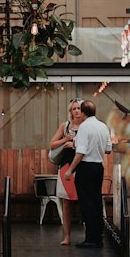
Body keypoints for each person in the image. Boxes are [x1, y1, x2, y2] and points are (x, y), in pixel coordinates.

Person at [67, 98, 112, 249]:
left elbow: (80, 152)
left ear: (84, 112)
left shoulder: (84, 127)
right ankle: (98, 236)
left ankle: (91, 239)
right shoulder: (103, 126)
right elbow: (108, 149)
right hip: (98, 167)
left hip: (85, 168)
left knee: (86, 204)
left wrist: (70, 169)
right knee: (96, 202)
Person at [49, 99, 81, 246]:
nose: (76, 111)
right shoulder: (65, 126)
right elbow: (52, 143)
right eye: (74, 108)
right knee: (66, 204)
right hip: (66, 168)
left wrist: (75, 144)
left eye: (79, 108)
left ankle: (88, 236)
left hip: (82, 167)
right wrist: (65, 140)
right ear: (70, 111)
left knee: (84, 203)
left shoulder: (87, 126)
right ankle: (67, 237)